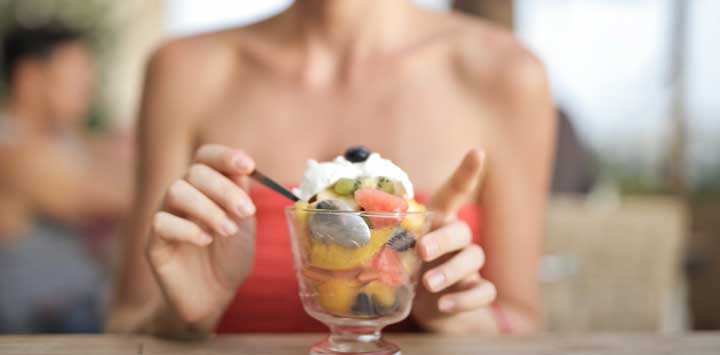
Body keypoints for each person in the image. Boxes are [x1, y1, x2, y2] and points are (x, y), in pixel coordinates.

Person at [108, 0, 555, 337]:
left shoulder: (506, 75)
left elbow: (521, 325)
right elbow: (126, 325)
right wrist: (182, 322)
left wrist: (460, 317)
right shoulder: (184, 71)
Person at [0, 26, 131, 333]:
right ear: (30, 77)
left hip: (78, 307)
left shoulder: (64, 140)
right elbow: (122, 194)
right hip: (38, 322)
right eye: (77, 75)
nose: (88, 87)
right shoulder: (10, 148)